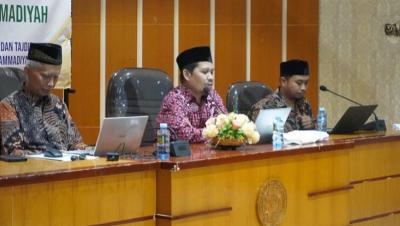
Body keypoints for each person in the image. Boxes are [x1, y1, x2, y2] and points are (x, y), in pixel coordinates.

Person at [0, 43, 86, 156]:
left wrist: (87, 151)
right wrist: (49, 157)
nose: (51, 83)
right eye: (45, 76)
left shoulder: (59, 105)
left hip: (65, 169)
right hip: (32, 171)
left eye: (56, 77)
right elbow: (13, 154)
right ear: (27, 72)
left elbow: (76, 143)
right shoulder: (8, 106)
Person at [157, 46, 227, 143]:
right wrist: (215, 133)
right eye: (205, 72)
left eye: (212, 72)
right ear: (187, 75)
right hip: (177, 157)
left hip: (209, 155)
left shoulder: (213, 96)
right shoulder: (174, 99)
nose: (211, 77)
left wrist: (221, 130)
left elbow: (226, 125)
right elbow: (184, 134)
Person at [249, 59, 315, 132]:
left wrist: (312, 125)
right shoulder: (264, 107)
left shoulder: (304, 103)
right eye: (299, 83)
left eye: (306, 83)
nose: (303, 88)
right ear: (283, 81)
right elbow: (255, 140)